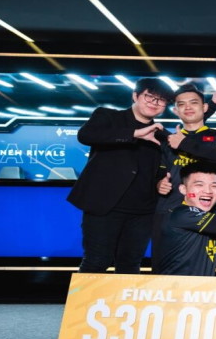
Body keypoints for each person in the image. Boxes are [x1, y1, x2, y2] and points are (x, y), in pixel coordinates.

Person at [68, 78, 174, 274]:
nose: (154, 103)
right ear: (135, 96)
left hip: (143, 211)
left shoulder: (162, 135)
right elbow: (86, 135)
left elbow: (160, 170)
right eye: (149, 97)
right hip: (105, 207)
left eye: (161, 100)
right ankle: (85, 297)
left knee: (130, 266)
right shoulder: (108, 116)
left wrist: (160, 183)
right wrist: (134, 133)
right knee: (96, 262)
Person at [151, 84, 216, 271]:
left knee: (202, 266)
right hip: (168, 210)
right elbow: (159, 171)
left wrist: (184, 143)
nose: (187, 107)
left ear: (205, 107)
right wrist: (159, 183)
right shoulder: (166, 140)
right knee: (161, 268)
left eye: (193, 103)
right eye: (181, 104)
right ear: (176, 111)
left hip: (206, 210)